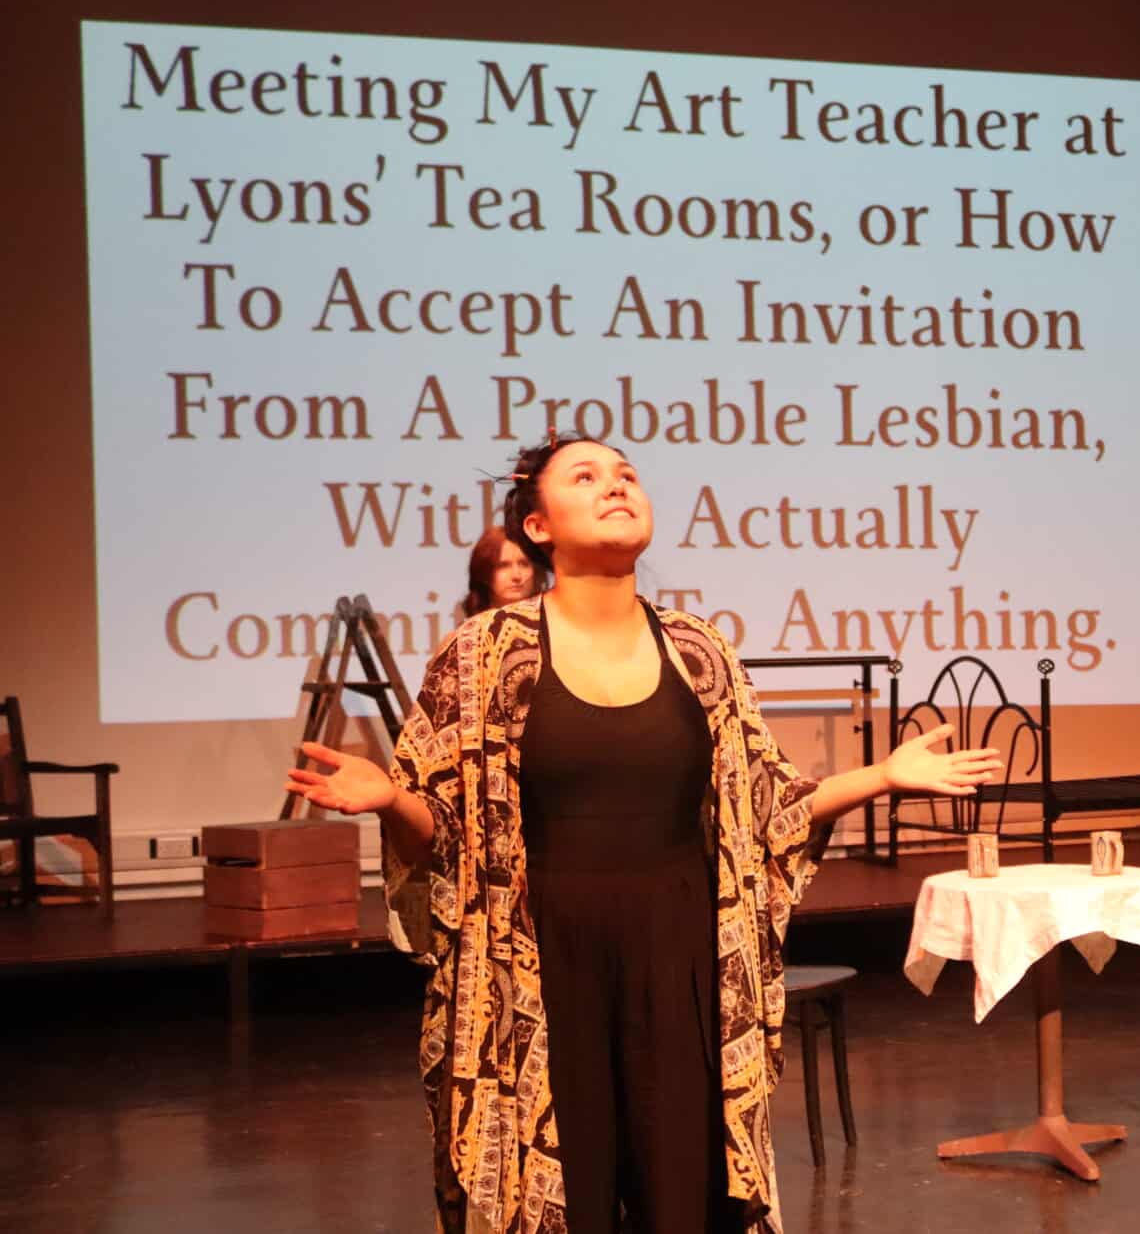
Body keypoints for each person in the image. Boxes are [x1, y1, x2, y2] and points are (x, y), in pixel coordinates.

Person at [285, 434, 1000, 1234]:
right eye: (585, 476)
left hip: (680, 965)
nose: (616, 485)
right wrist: (390, 798)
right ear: (537, 526)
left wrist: (882, 775)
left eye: (626, 473)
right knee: (563, 1197)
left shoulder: (700, 652)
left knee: (683, 1197)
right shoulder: (484, 655)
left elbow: (765, 807)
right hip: (542, 976)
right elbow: (446, 833)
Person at [459, 524, 541, 619]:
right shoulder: (467, 632)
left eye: (524, 564)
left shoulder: (554, 625)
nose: (516, 576)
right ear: (484, 573)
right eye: (504, 566)